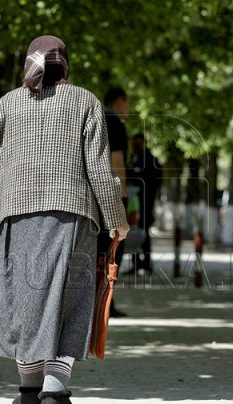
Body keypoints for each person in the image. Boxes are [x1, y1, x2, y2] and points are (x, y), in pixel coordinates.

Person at [0, 35, 129, 404]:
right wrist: (118, 219)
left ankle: (29, 388)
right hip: (73, 216)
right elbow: (100, 171)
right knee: (68, 297)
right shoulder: (85, 101)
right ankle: (53, 388)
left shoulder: (7, 104)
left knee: (23, 300)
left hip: (14, 216)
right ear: (64, 63)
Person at [101, 87, 130, 317]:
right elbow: (117, 160)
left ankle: (100, 301)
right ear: (119, 102)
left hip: (94, 194)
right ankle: (106, 302)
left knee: (99, 249)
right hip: (112, 195)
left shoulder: (96, 118)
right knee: (113, 250)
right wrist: (122, 198)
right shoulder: (116, 123)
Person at [128, 132, 162, 274]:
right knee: (133, 231)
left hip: (146, 203)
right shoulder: (133, 157)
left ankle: (147, 264)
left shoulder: (150, 159)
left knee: (144, 234)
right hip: (134, 203)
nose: (136, 145)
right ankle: (135, 264)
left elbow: (156, 179)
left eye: (138, 143)